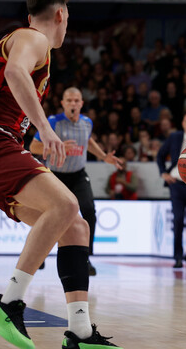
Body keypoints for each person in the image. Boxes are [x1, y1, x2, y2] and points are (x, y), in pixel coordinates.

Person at [0, 0, 128, 349]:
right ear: (62, 15)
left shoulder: (22, 41)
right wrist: (46, 129)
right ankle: (9, 302)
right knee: (66, 205)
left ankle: (79, 332)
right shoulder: (32, 37)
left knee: (76, 228)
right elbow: (16, 73)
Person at [29, 87, 122, 276]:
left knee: (89, 210)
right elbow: (33, 147)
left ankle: (86, 259)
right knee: (44, 216)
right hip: (55, 175)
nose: (73, 104)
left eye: (76, 100)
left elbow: (88, 142)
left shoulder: (87, 123)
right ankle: (38, 255)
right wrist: (57, 146)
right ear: (63, 103)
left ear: (81, 103)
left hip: (78, 174)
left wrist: (104, 156)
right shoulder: (53, 122)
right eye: (69, 100)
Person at [156, 112, 186, 270]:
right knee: (178, 220)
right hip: (176, 185)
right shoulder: (175, 137)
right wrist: (164, 173)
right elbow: (160, 155)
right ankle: (178, 257)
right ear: (183, 123)